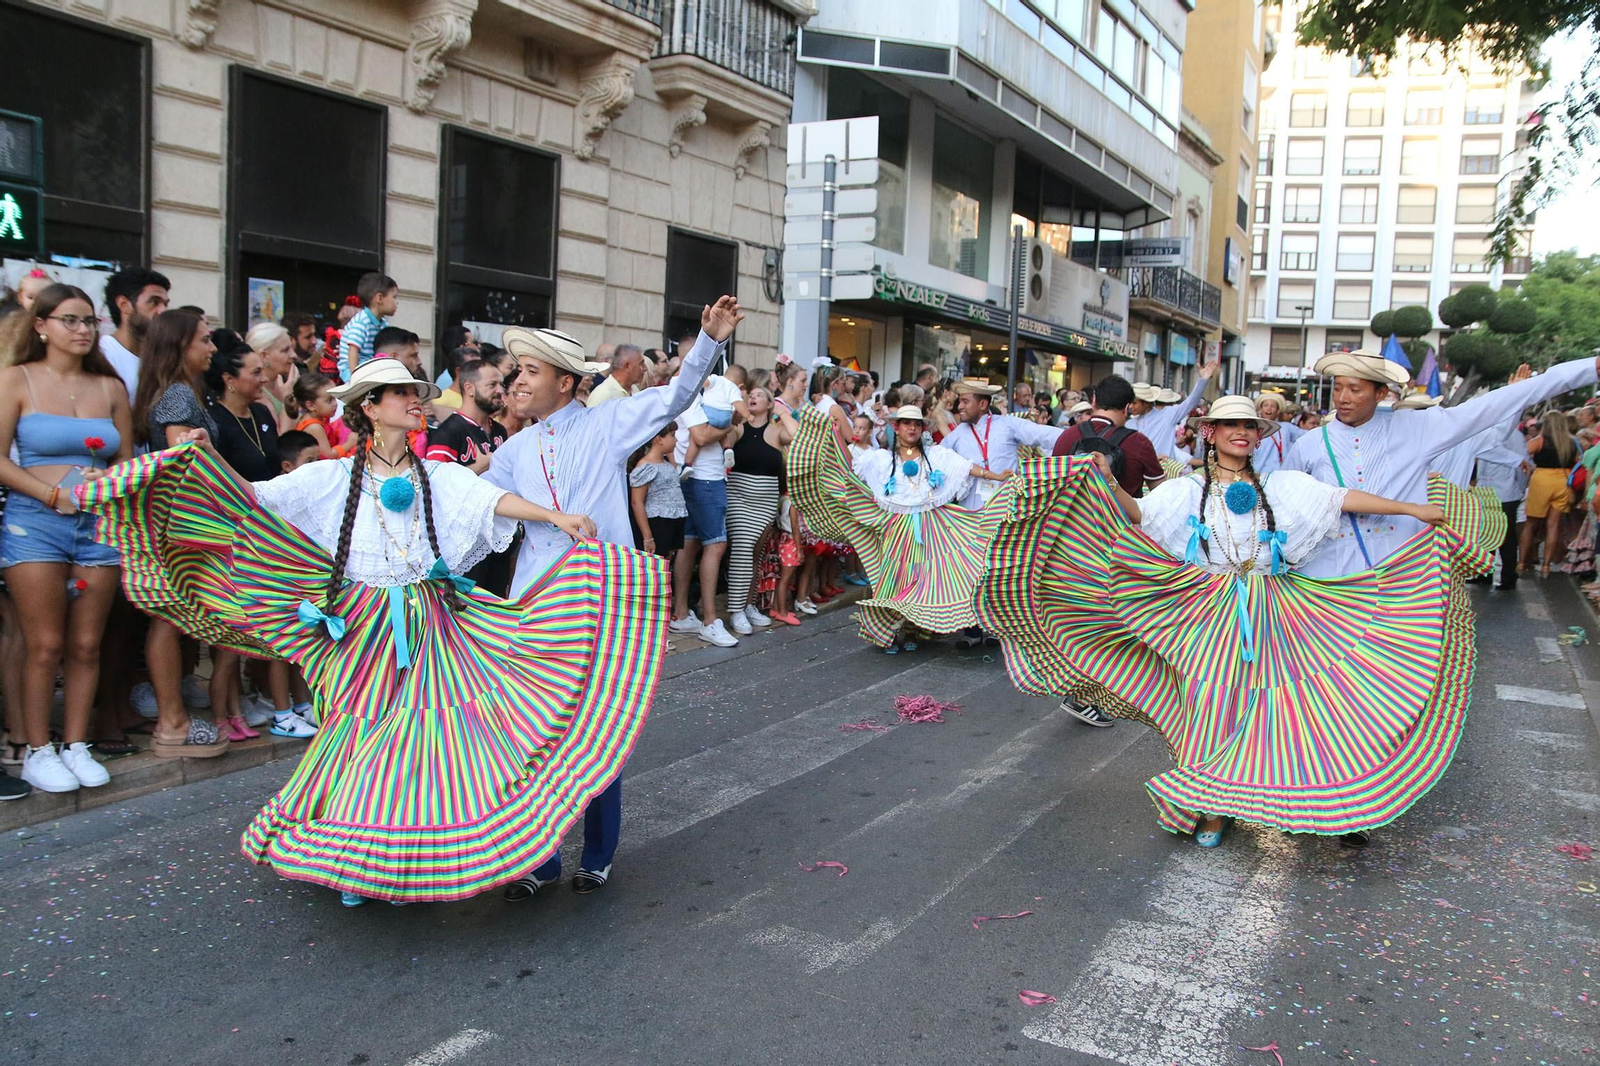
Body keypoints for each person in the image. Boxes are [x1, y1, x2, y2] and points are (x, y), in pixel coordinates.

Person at [79, 357, 664, 908]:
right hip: (360, 629)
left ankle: (421, 854)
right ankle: (355, 863)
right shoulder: (330, 477)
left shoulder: (436, 475)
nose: (417, 402)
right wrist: (203, 460)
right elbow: (254, 501)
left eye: (417, 393)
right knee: (363, 743)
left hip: (435, 625)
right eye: (404, 394)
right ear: (368, 407)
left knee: (436, 744)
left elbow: (493, 500)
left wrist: (553, 516)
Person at [980, 396, 1485, 850]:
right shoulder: (1187, 490)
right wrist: (1107, 479)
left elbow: (1341, 500)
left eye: (1249, 425)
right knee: (1212, 707)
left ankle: (1315, 803)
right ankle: (1214, 807)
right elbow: (1137, 515)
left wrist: (1413, 510)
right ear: (1210, 433)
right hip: (1205, 611)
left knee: (1288, 709)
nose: (1241, 432)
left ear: (1259, 436)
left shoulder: (1284, 486)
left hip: (1277, 611)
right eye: (1230, 425)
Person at [485, 296, 743, 900]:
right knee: (535, 734)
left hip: (601, 606)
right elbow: (474, 508)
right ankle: (537, 859)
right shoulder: (514, 451)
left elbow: (675, 396)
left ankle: (597, 854)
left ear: (566, 382)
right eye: (515, 371)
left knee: (599, 731)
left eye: (529, 372)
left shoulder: (607, 423)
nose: (516, 381)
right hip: (534, 608)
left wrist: (708, 342)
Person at [1286, 348, 1600, 580]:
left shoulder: (1417, 428)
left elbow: (1495, 405)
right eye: (1338, 387)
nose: (1343, 397)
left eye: (1355, 389)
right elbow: (1286, 506)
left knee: (1404, 665)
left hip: (1402, 573)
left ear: (1381, 393)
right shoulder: (1309, 443)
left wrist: (1591, 369)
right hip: (1326, 575)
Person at [0, 283, 133, 793]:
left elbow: (127, 466)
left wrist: (114, 486)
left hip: (100, 526)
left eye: (88, 322)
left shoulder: (112, 387)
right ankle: (38, 749)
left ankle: (75, 744)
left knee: (86, 643)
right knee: (45, 644)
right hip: (34, 523)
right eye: (69, 320)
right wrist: (48, 494)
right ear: (41, 325)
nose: (81, 330)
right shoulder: (17, 379)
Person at [787, 404, 1010, 652]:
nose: (912, 428)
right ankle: (888, 632)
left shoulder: (936, 455)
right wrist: (835, 440)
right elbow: (852, 468)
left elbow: (965, 466)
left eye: (916, 424)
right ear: (897, 427)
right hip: (897, 528)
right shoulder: (881, 459)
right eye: (907, 424)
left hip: (930, 527)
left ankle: (913, 630)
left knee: (923, 580)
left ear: (922, 429)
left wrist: (997, 477)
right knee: (893, 580)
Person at [129, 309, 234, 759]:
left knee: (173, 618)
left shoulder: (182, 391)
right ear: (179, 346)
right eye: (204, 340)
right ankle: (172, 723)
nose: (212, 349)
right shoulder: (176, 395)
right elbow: (179, 459)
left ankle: (174, 717)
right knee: (169, 618)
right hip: (180, 522)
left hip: (181, 521)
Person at [202, 335, 316, 743]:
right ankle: (225, 713)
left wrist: (284, 405)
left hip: (268, 531)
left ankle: (275, 704)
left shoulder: (263, 412)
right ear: (230, 380)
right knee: (232, 632)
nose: (263, 377)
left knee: (277, 624)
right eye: (255, 372)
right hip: (230, 533)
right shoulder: (213, 421)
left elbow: (278, 461)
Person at [669, 374, 743, 647]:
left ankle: (680, 613)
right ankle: (710, 621)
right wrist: (727, 424)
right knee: (716, 545)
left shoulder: (709, 395)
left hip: (701, 477)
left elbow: (733, 436)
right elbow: (700, 435)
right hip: (704, 480)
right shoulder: (688, 394)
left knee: (690, 544)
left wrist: (726, 427)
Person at [725, 384, 791, 636]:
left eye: (759, 395)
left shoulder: (776, 431)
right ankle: (735, 609)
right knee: (742, 551)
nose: (753, 397)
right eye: (751, 395)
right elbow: (727, 437)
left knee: (756, 554)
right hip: (739, 497)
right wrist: (737, 410)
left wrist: (783, 412)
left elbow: (795, 435)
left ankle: (749, 603)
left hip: (765, 502)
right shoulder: (739, 428)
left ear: (769, 403)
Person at [945, 377, 1063, 509]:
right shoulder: (957, 433)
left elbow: (1043, 434)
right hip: (969, 515)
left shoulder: (1007, 424)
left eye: (965, 401)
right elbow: (937, 458)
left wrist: (1079, 437)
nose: (960, 406)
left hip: (1005, 509)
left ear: (982, 404)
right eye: (960, 401)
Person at [1521, 409, 1579, 578]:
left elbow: (1524, 453)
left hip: (1542, 479)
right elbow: (1577, 461)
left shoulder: (1540, 440)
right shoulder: (1572, 441)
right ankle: (1546, 565)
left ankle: (1522, 562)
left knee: (1530, 523)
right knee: (1553, 525)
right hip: (1563, 479)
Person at [99, 268, 172, 396]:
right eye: (154, 302)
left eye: (165, 304)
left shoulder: (161, 358)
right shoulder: (103, 355)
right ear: (124, 305)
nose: (162, 311)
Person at [628, 425, 687, 561]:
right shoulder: (646, 466)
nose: (676, 440)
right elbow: (637, 502)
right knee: (654, 564)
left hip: (673, 521)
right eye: (672, 435)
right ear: (659, 440)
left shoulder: (667, 464)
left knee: (667, 563)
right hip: (657, 523)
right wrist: (648, 536)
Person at [338, 271, 397, 382]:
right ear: (379, 298)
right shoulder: (361, 322)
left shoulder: (383, 323)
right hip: (352, 368)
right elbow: (353, 350)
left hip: (369, 366)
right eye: (394, 297)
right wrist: (355, 378)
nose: (396, 303)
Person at [244, 321, 301, 434]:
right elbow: (282, 443)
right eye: (285, 350)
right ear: (264, 356)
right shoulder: (258, 396)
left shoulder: (285, 383)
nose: (294, 355)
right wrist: (288, 400)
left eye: (292, 348)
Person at [292, 373, 354, 459]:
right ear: (310, 406)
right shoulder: (314, 427)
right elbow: (329, 455)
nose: (335, 404)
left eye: (334, 398)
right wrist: (350, 443)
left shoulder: (318, 416)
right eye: (329, 400)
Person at [1250, 393, 1304, 476]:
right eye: (1266, 405)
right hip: (1257, 473)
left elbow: (1305, 436)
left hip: (1281, 474)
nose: (1269, 408)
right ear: (1260, 409)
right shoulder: (1252, 427)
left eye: (1273, 406)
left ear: (1278, 411)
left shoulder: (1286, 427)